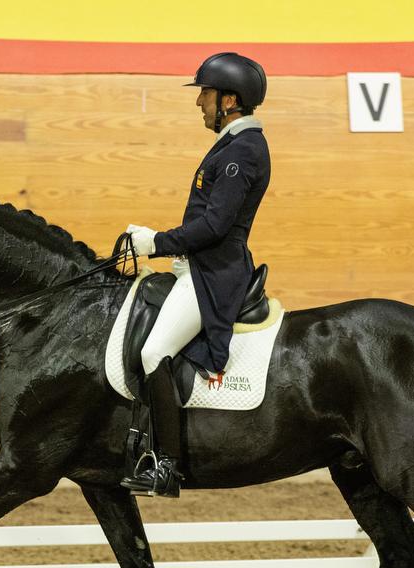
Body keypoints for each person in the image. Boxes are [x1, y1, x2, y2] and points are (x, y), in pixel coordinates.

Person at [121, 52, 271, 498]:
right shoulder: (231, 145)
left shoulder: (241, 151)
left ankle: (166, 465)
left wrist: (156, 242)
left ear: (229, 99)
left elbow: (214, 226)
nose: (199, 102)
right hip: (201, 266)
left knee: (153, 354)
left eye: (205, 93)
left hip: (214, 276)